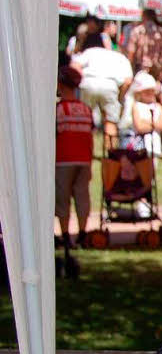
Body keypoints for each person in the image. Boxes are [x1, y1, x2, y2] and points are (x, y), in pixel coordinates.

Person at [55, 66, 94, 246]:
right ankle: (83, 232)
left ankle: (64, 234)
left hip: (63, 160)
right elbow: (90, 136)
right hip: (84, 159)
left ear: (60, 85)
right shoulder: (86, 109)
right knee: (82, 196)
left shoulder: (58, 110)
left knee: (62, 198)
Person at [72, 45, 133, 151]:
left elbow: (74, 65)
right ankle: (110, 155)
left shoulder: (90, 51)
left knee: (86, 120)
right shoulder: (121, 58)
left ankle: (83, 151)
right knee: (111, 122)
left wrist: (79, 82)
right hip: (110, 86)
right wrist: (120, 97)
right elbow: (128, 81)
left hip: (88, 83)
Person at [124, 71, 162, 158]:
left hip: (155, 146)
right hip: (139, 147)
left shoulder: (158, 107)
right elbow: (140, 127)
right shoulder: (136, 106)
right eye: (146, 91)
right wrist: (156, 124)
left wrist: (149, 123)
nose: (150, 94)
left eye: (152, 91)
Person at [125, 9, 162, 82]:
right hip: (157, 69)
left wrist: (129, 70)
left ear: (143, 16)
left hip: (140, 68)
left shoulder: (137, 31)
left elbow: (131, 53)